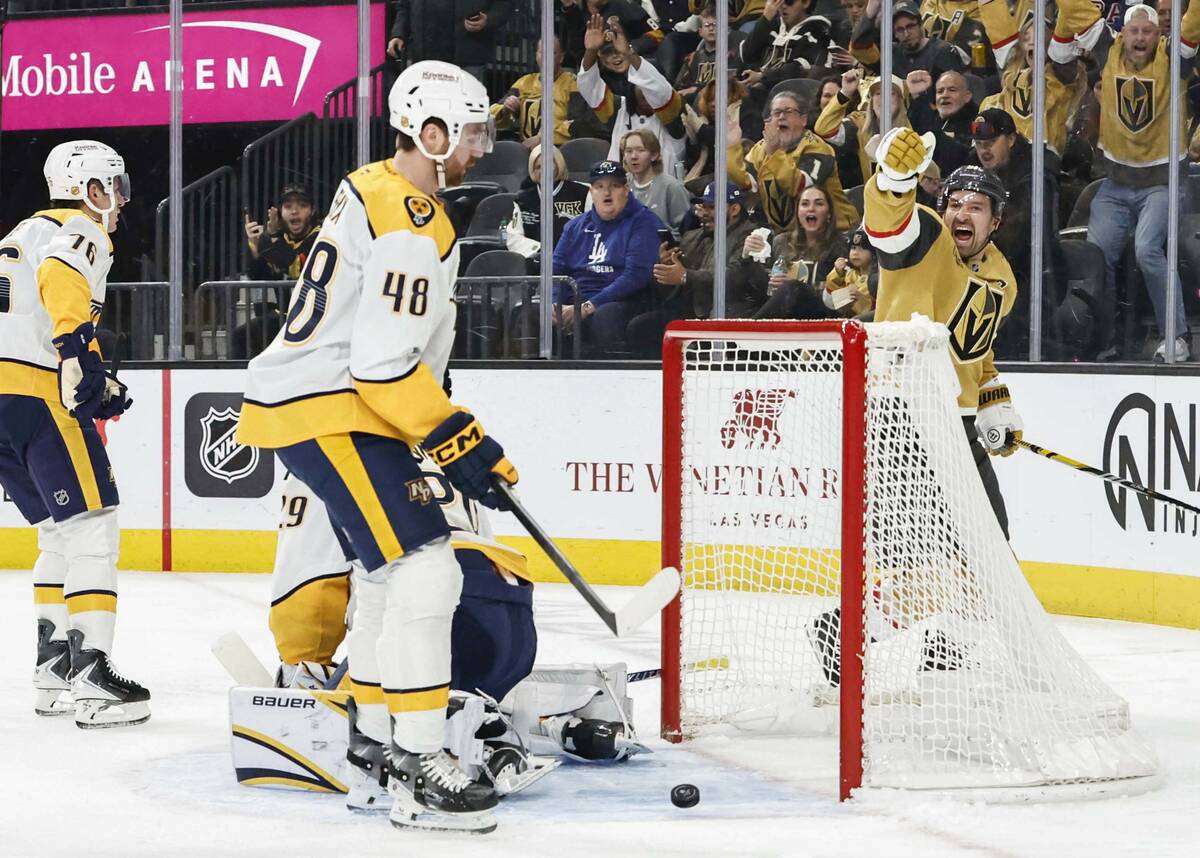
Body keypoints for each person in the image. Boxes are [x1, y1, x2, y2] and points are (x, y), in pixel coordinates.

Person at [236, 61, 512, 835]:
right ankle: (420, 764)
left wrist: (445, 431)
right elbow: (384, 364)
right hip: (335, 407)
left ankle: (373, 736)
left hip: (324, 405)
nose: (481, 147)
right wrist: (460, 439)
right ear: (432, 132)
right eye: (472, 131)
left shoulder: (374, 187)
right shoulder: (411, 217)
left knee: (385, 571)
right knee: (426, 567)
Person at [809, 128, 1020, 686]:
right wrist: (895, 182)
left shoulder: (1002, 275)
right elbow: (891, 225)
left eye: (976, 207)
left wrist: (995, 403)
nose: (961, 213)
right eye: (954, 203)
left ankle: (946, 653)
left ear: (995, 222)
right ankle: (846, 631)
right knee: (926, 563)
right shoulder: (927, 238)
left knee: (991, 550)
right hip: (902, 417)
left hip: (960, 427)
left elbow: (978, 351)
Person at [0, 141, 146, 729]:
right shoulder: (80, 229)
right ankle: (92, 675)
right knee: (92, 525)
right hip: (38, 392)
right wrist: (78, 355)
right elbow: (61, 276)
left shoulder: (20, 231)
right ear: (88, 188)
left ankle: (53, 668)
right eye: (113, 186)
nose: (120, 200)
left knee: (56, 531)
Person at [1059, 0, 1199, 361]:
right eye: (1134, 30)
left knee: (1148, 250)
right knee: (1095, 257)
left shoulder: (1174, 57)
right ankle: (1104, 341)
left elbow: (1193, 21)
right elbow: (1075, 9)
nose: (1140, 38)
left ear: (1158, 34)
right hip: (1115, 185)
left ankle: (1177, 336)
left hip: (1162, 184)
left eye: (1147, 31)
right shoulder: (1108, 49)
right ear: (1123, 33)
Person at [627, 180, 766, 354]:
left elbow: (734, 277)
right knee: (640, 327)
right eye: (702, 207)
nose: (704, 213)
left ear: (734, 209)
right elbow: (672, 291)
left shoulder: (752, 237)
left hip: (731, 315)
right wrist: (667, 267)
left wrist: (686, 276)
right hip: (692, 313)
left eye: (711, 207)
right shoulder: (692, 237)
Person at [552, 160, 665, 357]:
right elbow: (557, 269)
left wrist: (589, 306)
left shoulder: (644, 222)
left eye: (614, 186)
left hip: (625, 300)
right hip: (576, 298)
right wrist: (555, 303)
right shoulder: (575, 226)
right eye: (599, 186)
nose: (607, 193)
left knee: (605, 317)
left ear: (626, 190)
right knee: (530, 313)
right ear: (591, 192)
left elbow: (635, 276)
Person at [728, 90, 859, 232]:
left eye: (788, 111)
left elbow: (800, 187)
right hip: (789, 235)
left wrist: (774, 153)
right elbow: (745, 184)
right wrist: (731, 148)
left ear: (803, 120)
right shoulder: (760, 149)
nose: (781, 117)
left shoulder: (817, 148)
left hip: (836, 231)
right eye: (776, 112)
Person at [578, 13, 687, 177]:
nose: (646, 90)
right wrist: (591, 51)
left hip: (662, 190)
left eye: (646, 83)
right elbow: (589, 87)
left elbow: (659, 89)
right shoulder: (619, 108)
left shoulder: (672, 111)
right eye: (640, 85)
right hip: (620, 188)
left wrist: (629, 53)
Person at [748, 184, 850, 318]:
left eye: (819, 204)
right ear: (797, 212)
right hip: (785, 315)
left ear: (829, 213)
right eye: (805, 204)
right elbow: (762, 290)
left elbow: (845, 295)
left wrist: (795, 286)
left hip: (822, 315)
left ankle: (752, 329)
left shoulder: (841, 245)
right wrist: (748, 257)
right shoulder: (781, 242)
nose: (811, 208)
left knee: (792, 288)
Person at [815, 68, 910, 187]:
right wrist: (844, 93)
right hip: (870, 194)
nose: (883, 99)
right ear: (871, 100)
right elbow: (824, 129)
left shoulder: (912, 124)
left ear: (901, 100)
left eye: (891, 93)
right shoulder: (859, 122)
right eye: (878, 94)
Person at [491, 36, 589, 147]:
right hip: (526, 149)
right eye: (542, 52)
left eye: (552, 53)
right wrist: (506, 109)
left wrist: (542, 138)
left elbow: (578, 124)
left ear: (561, 57)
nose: (546, 57)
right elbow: (492, 116)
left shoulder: (573, 84)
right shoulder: (523, 83)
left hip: (560, 149)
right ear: (536, 55)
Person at [850, 0, 967, 92]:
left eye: (910, 26)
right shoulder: (890, 53)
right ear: (895, 33)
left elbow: (956, 92)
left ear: (921, 25)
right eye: (900, 29)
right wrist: (870, 12)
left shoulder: (942, 51)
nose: (906, 34)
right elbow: (858, 48)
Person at [388, 1, 511, 83]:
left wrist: (488, 20)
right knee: (426, 109)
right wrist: (399, 34)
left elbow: (504, 4)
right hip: (425, 57)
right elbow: (404, 6)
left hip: (467, 56)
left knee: (465, 110)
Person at [621, 128, 692, 236]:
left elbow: (687, 231)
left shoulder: (671, 187)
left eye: (641, 150)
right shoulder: (621, 185)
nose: (634, 156)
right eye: (628, 151)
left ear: (654, 155)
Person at [244, 183, 321, 282]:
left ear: (312, 210)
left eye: (302, 205)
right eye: (288, 206)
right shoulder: (275, 236)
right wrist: (255, 248)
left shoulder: (323, 236)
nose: (294, 211)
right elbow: (258, 278)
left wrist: (273, 237)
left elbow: (297, 270)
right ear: (280, 211)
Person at [821, 226, 876, 317]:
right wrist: (837, 274)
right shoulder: (848, 274)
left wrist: (860, 299)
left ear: (873, 253)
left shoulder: (878, 279)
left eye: (861, 249)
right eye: (853, 248)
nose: (855, 253)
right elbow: (830, 302)